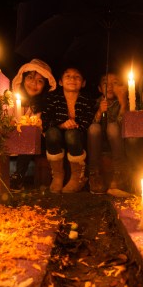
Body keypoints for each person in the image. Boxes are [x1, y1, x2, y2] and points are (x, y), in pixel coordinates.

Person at [43, 65, 95, 193]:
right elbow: (46, 120)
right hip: (58, 135)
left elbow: (88, 120)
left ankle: (78, 177)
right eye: (68, 76)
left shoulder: (86, 100)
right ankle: (57, 176)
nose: (72, 79)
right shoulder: (53, 98)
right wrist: (62, 125)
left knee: (71, 134)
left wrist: (75, 126)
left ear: (83, 83)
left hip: (77, 137)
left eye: (77, 77)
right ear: (60, 82)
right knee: (52, 133)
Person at [9, 59, 57, 192]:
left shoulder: (45, 105)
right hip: (12, 136)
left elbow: (42, 128)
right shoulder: (11, 99)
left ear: (45, 86)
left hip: (38, 141)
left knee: (28, 132)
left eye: (40, 81)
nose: (33, 83)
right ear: (23, 79)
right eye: (30, 77)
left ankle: (18, 176)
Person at [87, 71, 131, 196]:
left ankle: (119, 174)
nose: (110, 87)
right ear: (100, 88)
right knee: (94, 128)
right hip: (98, 142)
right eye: (106, 83)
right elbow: (90, 126)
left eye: (115, 83)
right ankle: (94, 175)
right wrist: (100, 112)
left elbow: (127, 126)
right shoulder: (95, 102)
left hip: (118, 141)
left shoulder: (126, 101)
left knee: (112, 127)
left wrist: (123, 105)